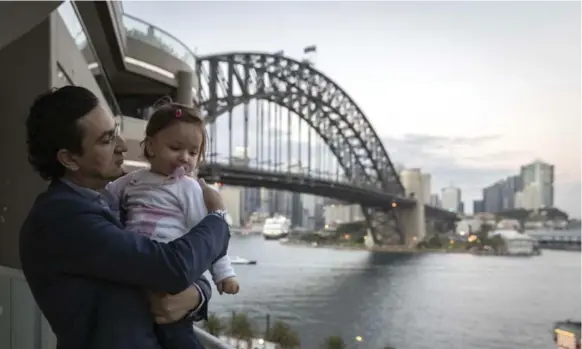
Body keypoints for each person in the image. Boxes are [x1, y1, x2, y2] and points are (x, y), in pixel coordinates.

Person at [20, 86, 230, 349]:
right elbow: (171, 267)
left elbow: (158, 260)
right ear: (70, 158)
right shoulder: (61, 219)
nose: (122, 146)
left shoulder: (110, 202)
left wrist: (199, 293)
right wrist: (218, 217)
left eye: (116, 132)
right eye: (107, 140)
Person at [104, 102, 240, 348]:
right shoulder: (131, 181)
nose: (184, 158)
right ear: (151, 146)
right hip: (139, 268)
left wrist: (224, 274)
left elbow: (207, 235)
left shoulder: (189, 188)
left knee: (177, 335)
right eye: (175, 148)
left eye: (192, 152)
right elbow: (107, 200)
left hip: (171, 274)